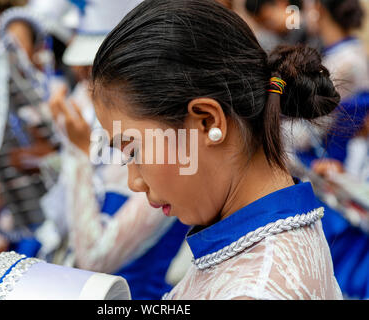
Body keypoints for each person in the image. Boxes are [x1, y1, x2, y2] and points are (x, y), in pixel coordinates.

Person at [90, 0, 342, 299]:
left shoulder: (255, 289)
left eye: (134, 152)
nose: (134, 180)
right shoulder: (258, 236)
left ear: (208, 121)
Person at [46, 0, 190, 300]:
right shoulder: (103, 131)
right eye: (84, 73)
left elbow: (94, 259)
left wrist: (79, 153)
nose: (85, 81)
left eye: (94, 70)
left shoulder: (170, 150)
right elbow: (61, 222)